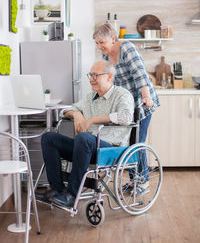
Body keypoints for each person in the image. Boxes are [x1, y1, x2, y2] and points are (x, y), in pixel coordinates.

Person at [36, 60, 134, 208]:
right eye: (90, 75)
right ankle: (57, 190)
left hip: (111, 150)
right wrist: (76, 114)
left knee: (83, 137)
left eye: (96, 75)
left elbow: (126, 117)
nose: (91, 79)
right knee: (49, 138)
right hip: (85, 148)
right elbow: (66, 109)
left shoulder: (122, 94)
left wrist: (93, 120)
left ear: (109, 76)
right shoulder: (90, 97)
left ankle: (72, 195)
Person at [93, 23, 160, 195]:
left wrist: (146, 97)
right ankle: (133, 180)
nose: (99, 46)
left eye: (102, 42)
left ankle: (143, 182)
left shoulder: (127, 49)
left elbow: (140, 74)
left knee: (137, 142)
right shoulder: (106, 56)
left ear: (113, 38)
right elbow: (110, 80)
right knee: (128, 142)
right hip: (127, 104)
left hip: (142, 102)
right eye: (97, 43)